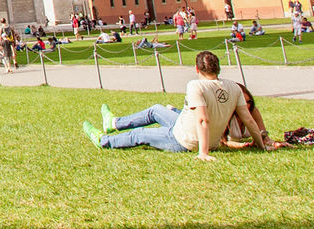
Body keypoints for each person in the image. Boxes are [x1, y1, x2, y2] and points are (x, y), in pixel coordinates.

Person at [82, 51, 274, 161]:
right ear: (218, 69)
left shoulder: (195, 85)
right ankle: (114, 123)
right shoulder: (234, 87)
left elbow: (203, 119)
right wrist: (260, 145)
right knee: (156, 110)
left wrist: (203, 153)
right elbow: (248, 119)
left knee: (139, 135)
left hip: (184, 140)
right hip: (192, 129)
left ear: (197, 69)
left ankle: (103, 141)